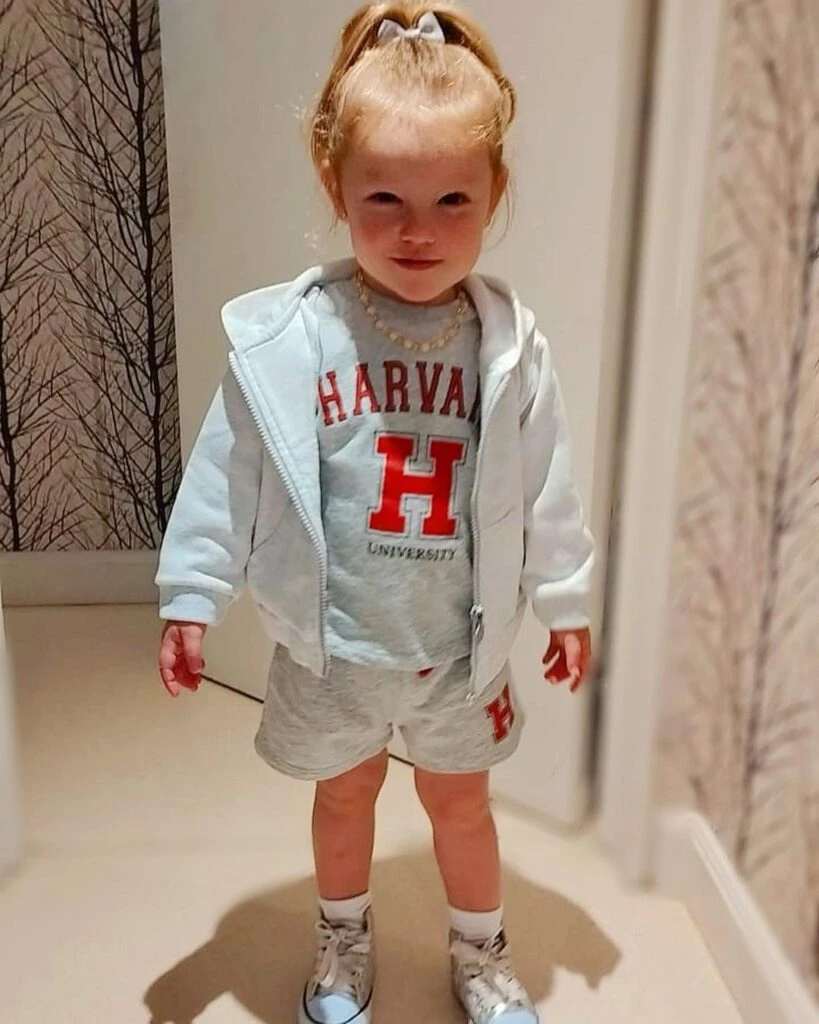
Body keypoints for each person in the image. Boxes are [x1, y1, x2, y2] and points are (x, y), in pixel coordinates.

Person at [155, 4, 594, 1022]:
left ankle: (481, 951)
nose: (416, 230)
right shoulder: (296, 339)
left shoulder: (509, 347)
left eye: (452, 199)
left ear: (493, 194)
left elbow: (548, 481)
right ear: (335, 185)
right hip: (336, 651)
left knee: (461, 805)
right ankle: (342, 937)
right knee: (345, 795)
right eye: (383, 197)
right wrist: (192, 592)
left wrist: (566, 599)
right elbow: (229, 469)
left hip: (458, 653)